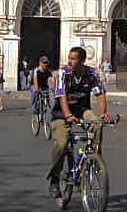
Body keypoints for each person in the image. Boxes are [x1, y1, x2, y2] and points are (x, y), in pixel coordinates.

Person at [47, 46, 111, 202]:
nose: (69, 61)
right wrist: (68, 115)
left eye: (73, 59)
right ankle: (55, 178)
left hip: (82, 110)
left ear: (82, 61)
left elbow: (100, 94)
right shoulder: (63, 73)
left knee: (96, 124)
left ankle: (94, 158)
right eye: (69, 58)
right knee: (61, 143)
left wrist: (103, 113)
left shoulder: (92, 74)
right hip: (62, 113)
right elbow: (61, 95)